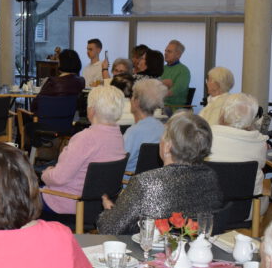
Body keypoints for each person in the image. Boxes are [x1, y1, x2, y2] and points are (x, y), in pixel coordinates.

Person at [98, 112, 223, 235]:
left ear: (167, 147)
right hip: (194, 251)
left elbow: (108, 229)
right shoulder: (210, 176)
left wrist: (108, 211)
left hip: (148, 252)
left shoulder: (145, 182)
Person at [41, 85, 127, 223]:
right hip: (99, 205)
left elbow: (59, 178)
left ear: (91, 110)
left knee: (20, 197)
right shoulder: (118, 136)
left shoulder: (85, 138)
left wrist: (46, 173)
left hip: (68, 204)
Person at [207, 93, 268, 212]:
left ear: (222, 114)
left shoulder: (205, 137)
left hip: (208, 209)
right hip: (248, 208)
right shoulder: (260, 143)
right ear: (251, 119)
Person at [123, 79, 167, 172]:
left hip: (129, 182)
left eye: (132, 96)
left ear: (136, 102)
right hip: (155, 181)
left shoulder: (133, 132)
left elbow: (119, 162)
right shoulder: (163, 129)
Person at [160, 40, 191, 108]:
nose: (165, 53)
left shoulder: (183, 71)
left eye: (169, 51)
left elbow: (173, 92)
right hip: (159, 105)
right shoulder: (161, 69)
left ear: (178, 54)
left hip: (173, 107)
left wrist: (158, 88)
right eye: (165, 51)